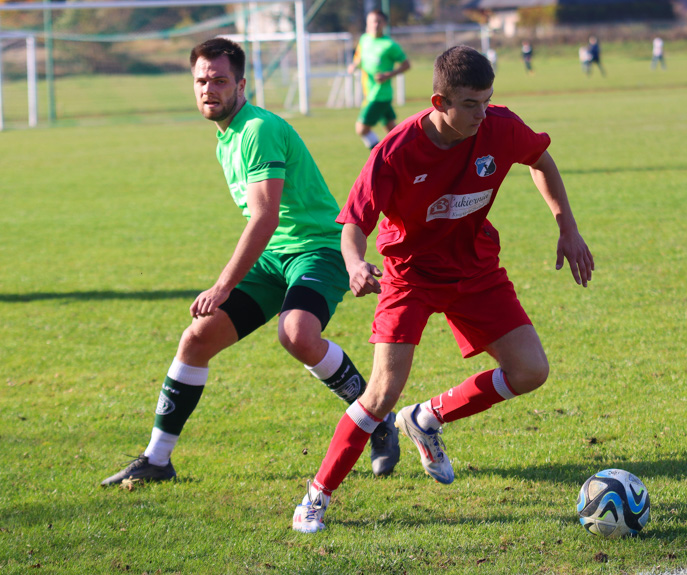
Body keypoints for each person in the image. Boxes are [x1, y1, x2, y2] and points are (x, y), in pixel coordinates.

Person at [292, 45, 594, 533]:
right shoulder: (394, 151)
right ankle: (316, 496)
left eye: (487, 100)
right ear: (439, 102)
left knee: (530, 370)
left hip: (475, 268)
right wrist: (354, 265)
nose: (483, 113)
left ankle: (427, 419)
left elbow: (541, 159)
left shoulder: (500, 125)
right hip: (409, 274)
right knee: (381, 393)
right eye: (470, 104)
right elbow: (352, 226)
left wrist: (567, 227)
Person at [101, 38, 400, 487]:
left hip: (318, 249)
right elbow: (265, 226)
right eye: (201, 81)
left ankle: (377, 418)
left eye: (219, 80)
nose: (209, 89)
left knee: (297, 333)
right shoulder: (227, 136)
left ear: (241, 84)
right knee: (197, 339)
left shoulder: (257, 129)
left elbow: (264, 217)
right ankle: (157, 459)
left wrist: (222, 286)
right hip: (274, 256)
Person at [348, 10, 411, 150]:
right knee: (392, 131)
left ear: (384, 24)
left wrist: (387, 75)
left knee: (361, 129)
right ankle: (407, 152)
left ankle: (378, 155)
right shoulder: (364, 39)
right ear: (367, 23)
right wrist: (354, 65)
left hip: (380, 94)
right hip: (369, 91)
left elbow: (406, 64)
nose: (375, 24)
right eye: (372, 21)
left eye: (378, 21)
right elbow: (359, 56)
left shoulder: (389, 45)